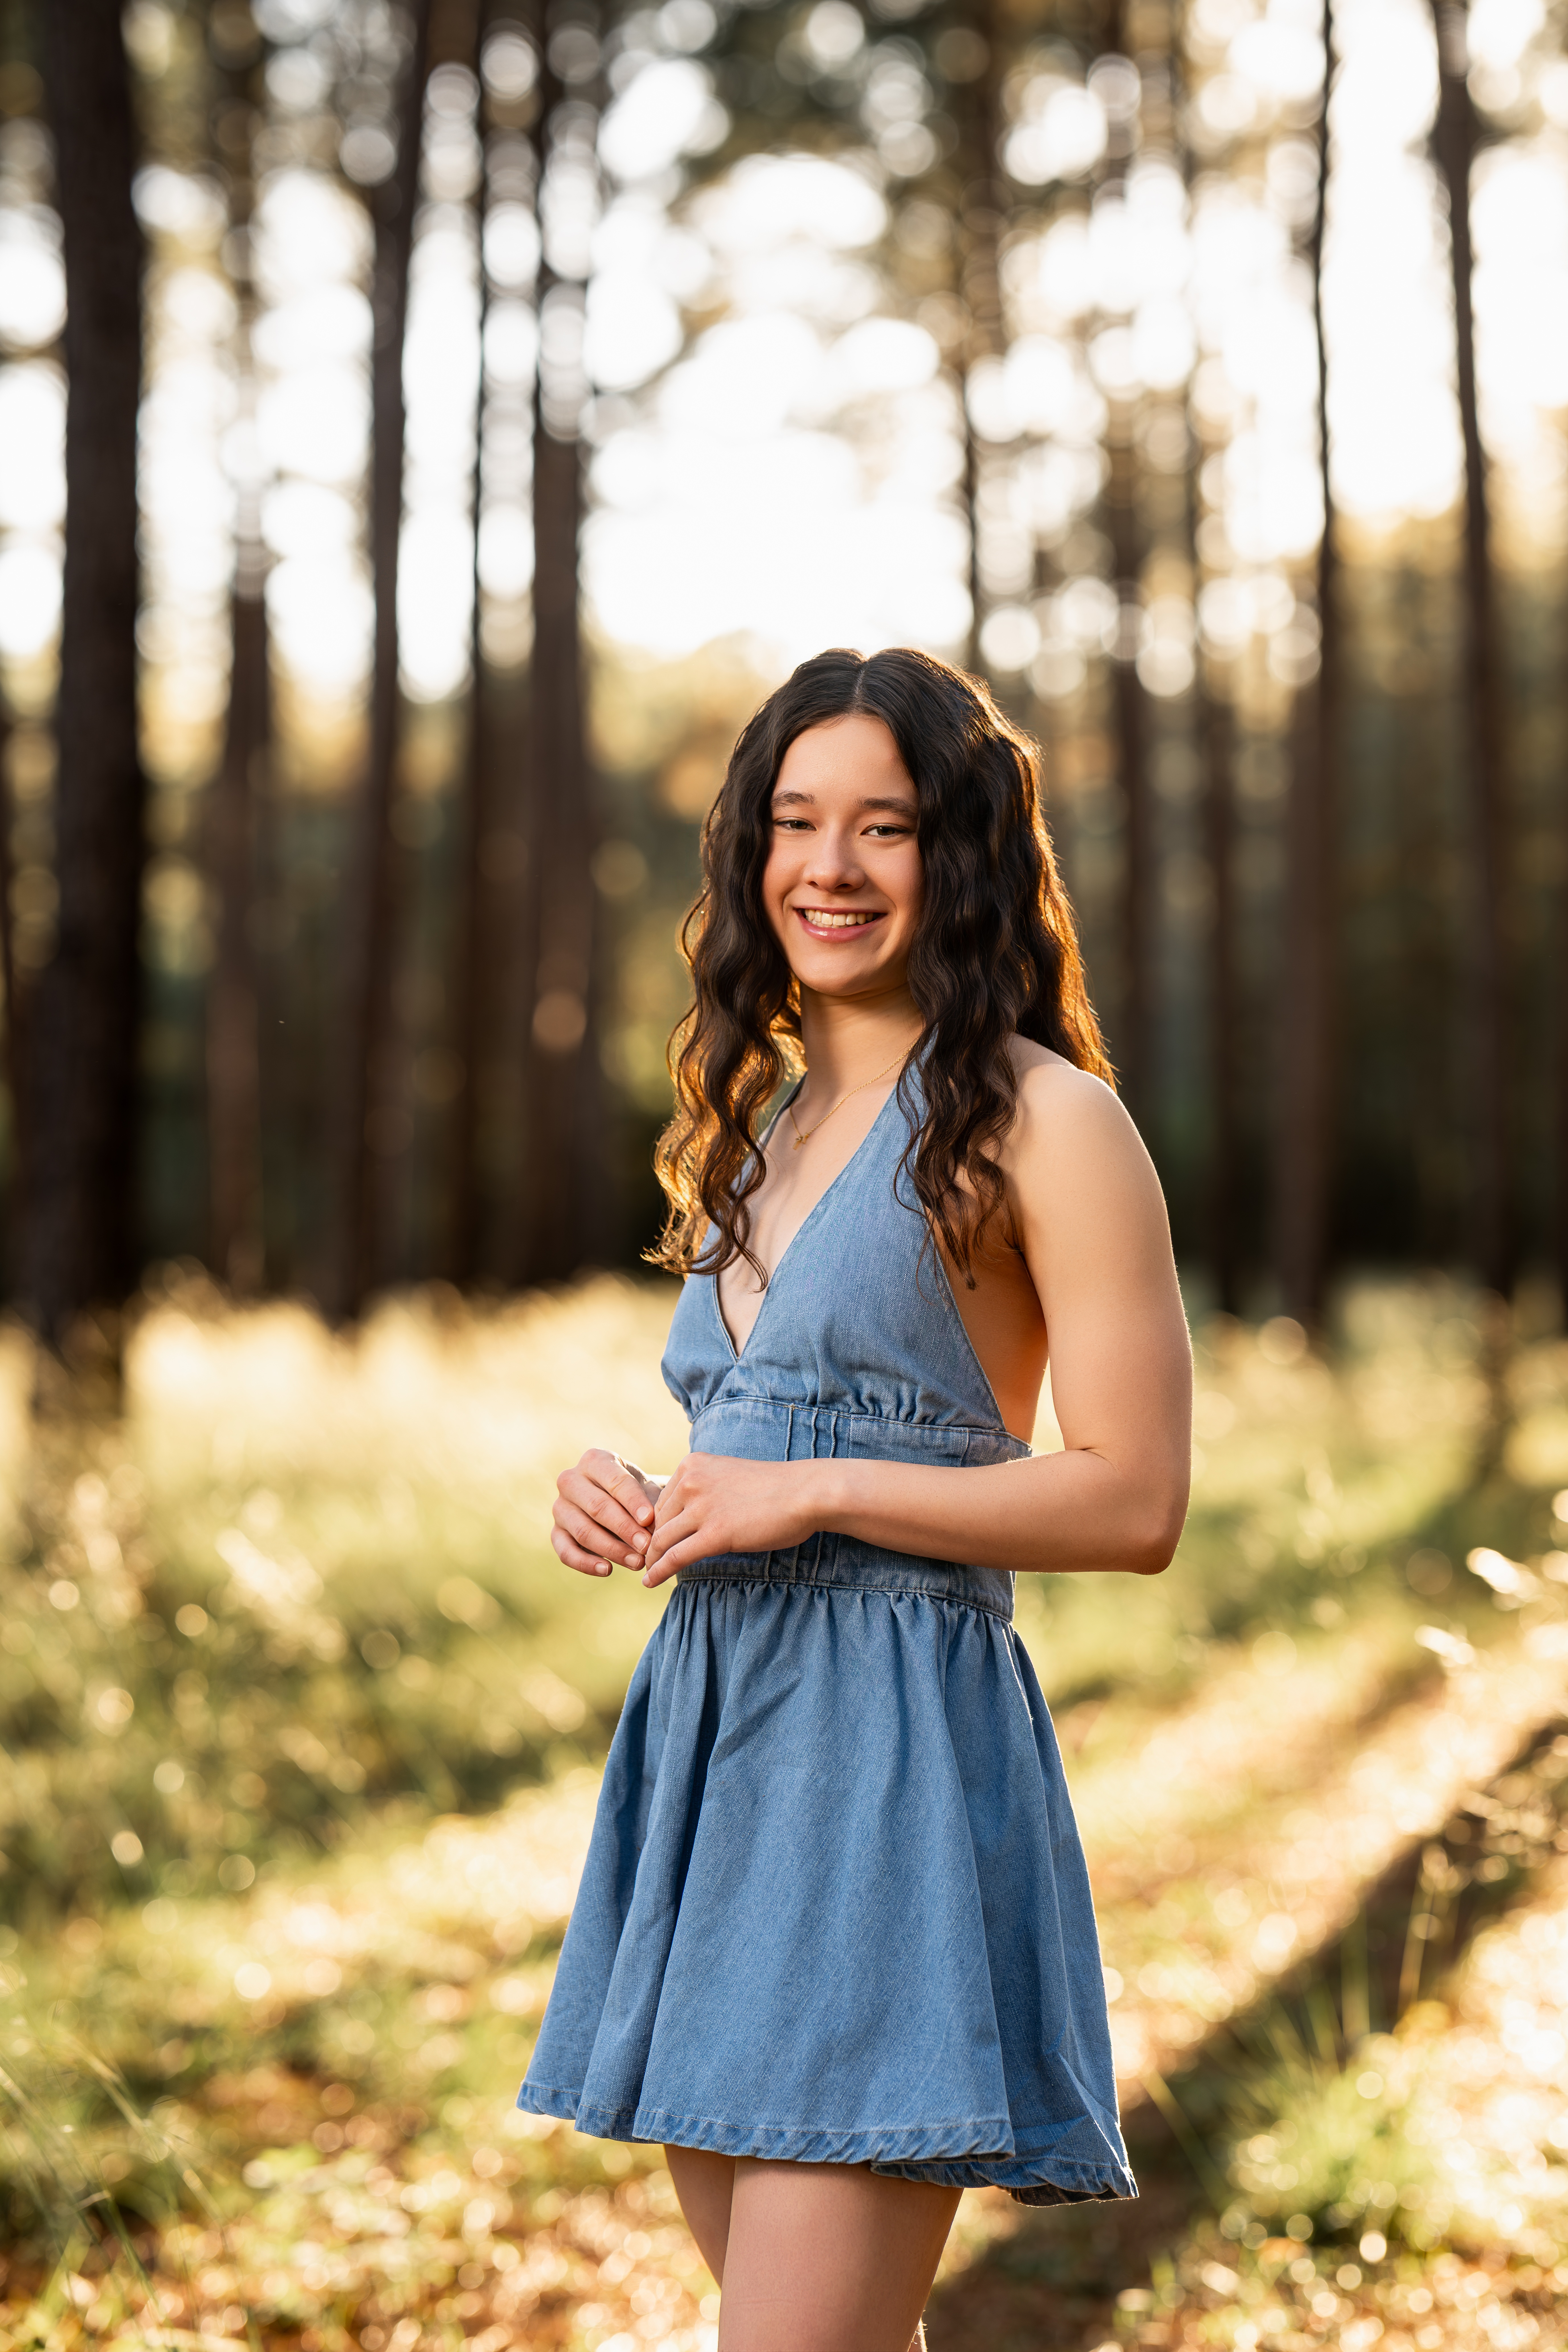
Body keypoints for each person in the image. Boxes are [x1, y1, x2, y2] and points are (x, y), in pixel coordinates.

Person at [519, 646, 1193, 2352]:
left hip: (891, 1768)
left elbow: (1136, 1502)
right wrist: (637, 1496)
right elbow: (752, 1444)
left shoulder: (1054, 1123)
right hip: (715, 1755)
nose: (829, 867)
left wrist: (810, 1488)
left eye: (881, 828)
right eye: (794, 824)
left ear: (959, 852)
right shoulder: (758, 1129)